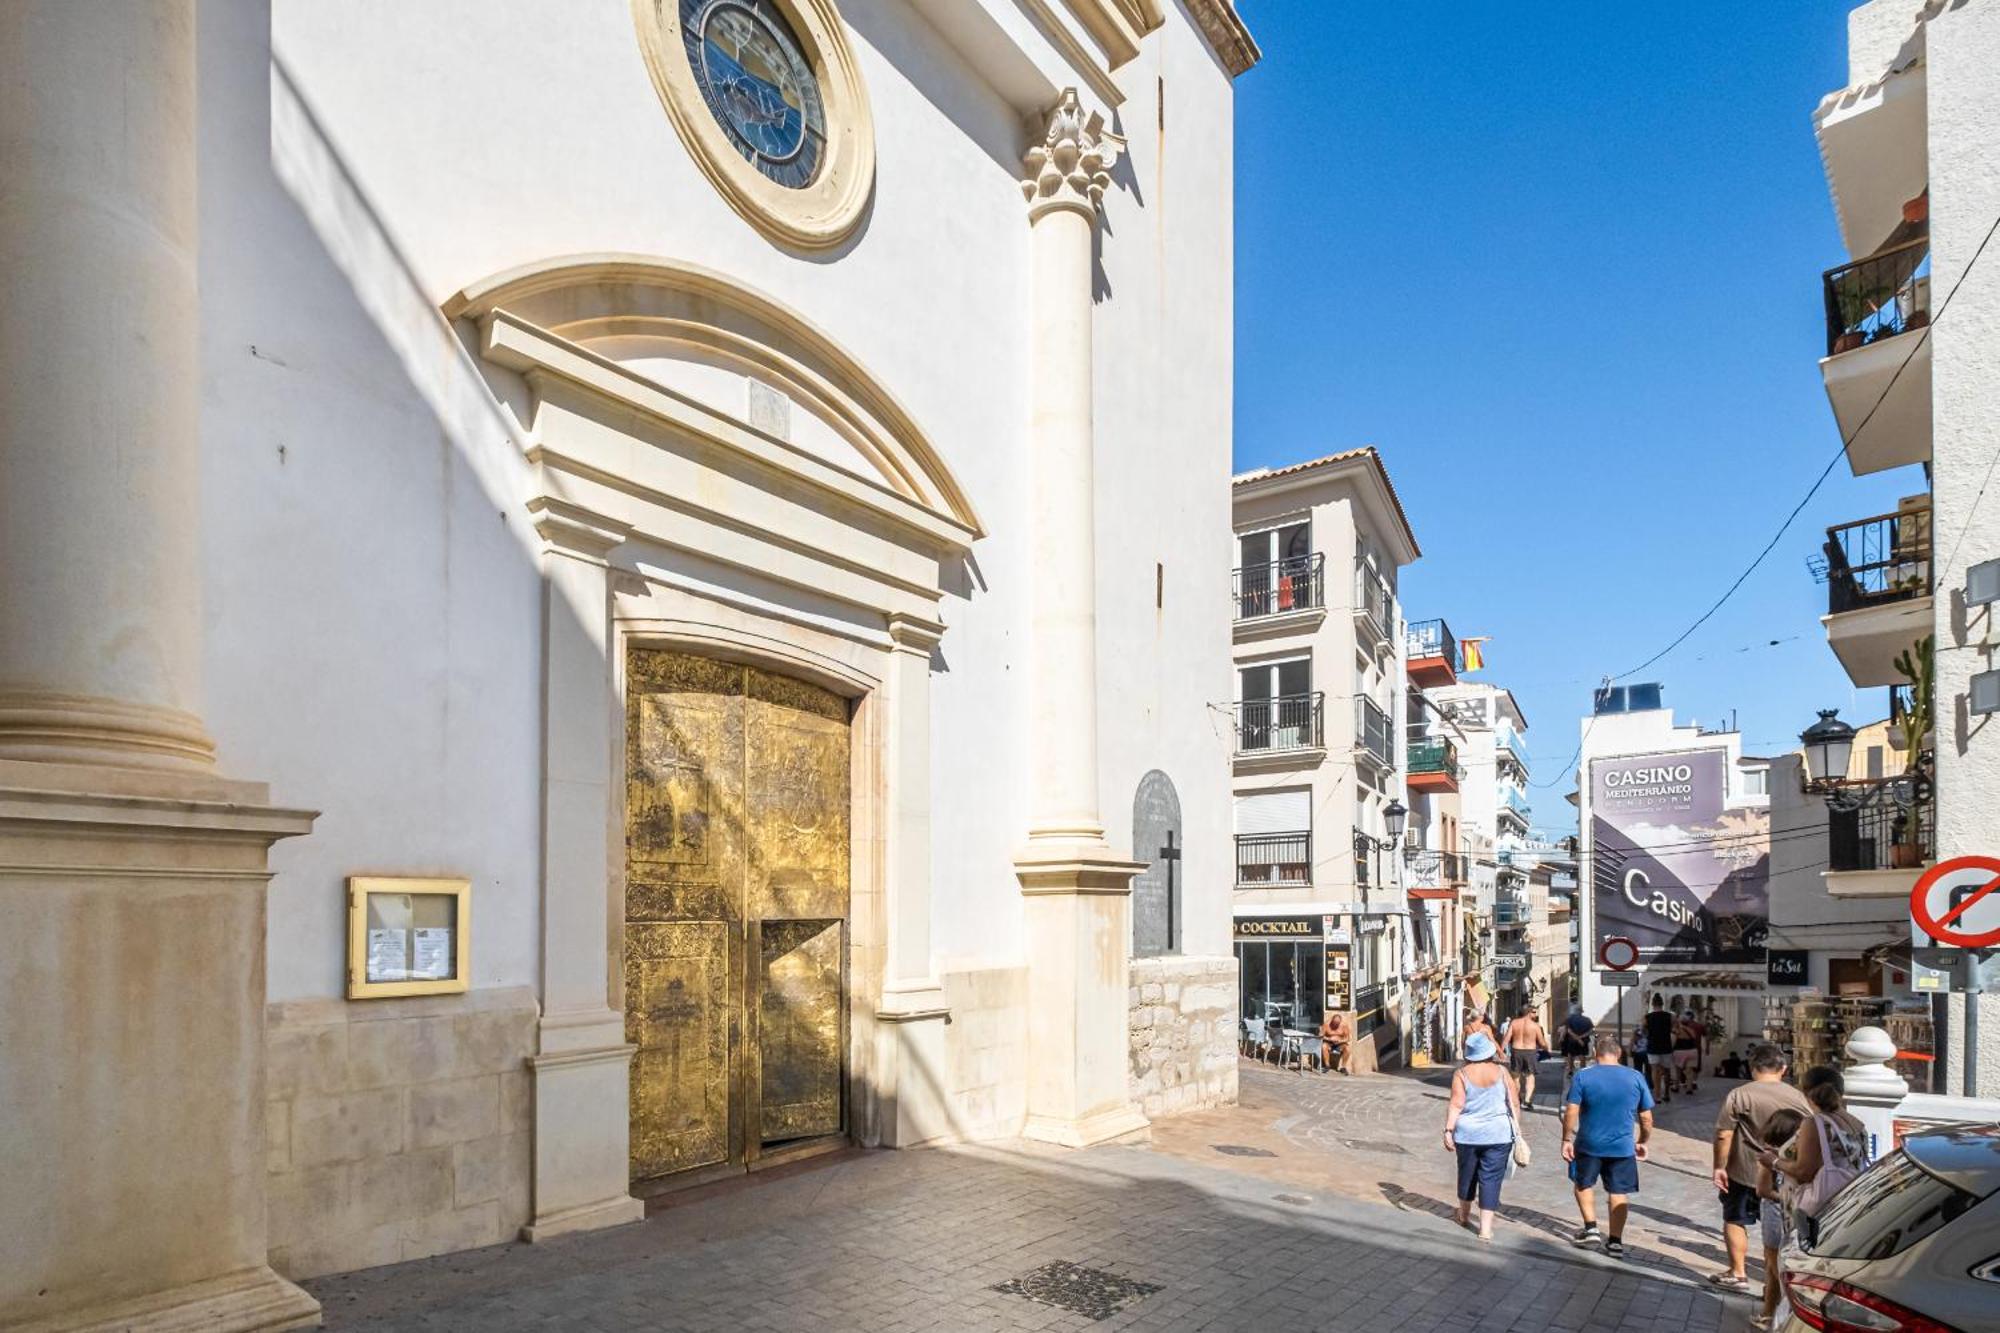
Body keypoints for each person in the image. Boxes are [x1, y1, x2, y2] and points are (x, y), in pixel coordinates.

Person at [1710, 1043, 1811, 1294]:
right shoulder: (1798, 1098)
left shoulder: (1739, 1094)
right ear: (1783, 1068)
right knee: (1781, 1231)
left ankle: (1738, 1271)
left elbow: (1724, 1134)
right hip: (1783, 1173)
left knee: (1735, 1218)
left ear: (1751, 1067)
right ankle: (1774, 1284)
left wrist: (1719, 1167)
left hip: (1743, 1170)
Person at [1563, 1031, 1654, 1258]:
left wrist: (1566, 1138)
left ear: (1595, 1054)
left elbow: (1572, 1110)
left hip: (1588, 1143)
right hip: (1622, 1146)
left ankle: (1591, 1228)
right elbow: (1646, 1118)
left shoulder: (1583, 1077)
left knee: (1583, 1184)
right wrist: (1643, 1140)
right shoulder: (1635, 1077)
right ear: (1619, 1054)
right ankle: (1615, 1241)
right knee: (1618, 1191)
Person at [1771, 1069, 1871, 1247]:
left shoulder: (1815, 1123)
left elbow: (1804, 1171)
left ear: (1805, 1092)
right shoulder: (1857, 1124)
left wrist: (1773, 1161)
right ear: (1841, 1092)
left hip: (1812, 1210)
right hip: (1842, 1204)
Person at [1443, 1031, 1521, 1242]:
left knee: (1467, 1175)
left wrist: (1448, 1130)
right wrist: (1516, 1128)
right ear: (1489, 1052)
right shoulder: (1502, 1072)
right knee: (1491, 1179)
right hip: (1499, 1134)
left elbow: (1457, 1104)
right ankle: (1485, 1229)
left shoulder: (1461, 1073)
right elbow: (1514, 1103)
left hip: (1468, 1134)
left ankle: (1464, 1215)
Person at [1751, 1108, 1807, 1332]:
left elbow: (1762, 1190)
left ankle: (1774, 1314)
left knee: (1774, 1267)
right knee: (1773, 1267)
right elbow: (1763, 1189)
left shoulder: (1786, 1156)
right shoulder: (1774, 1156)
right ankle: (1771, 1314)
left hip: (1778, 1213)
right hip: (1778, 1213)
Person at [1502, 1007, 1548, 1109]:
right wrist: (1546, 1049)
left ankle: (1517, 1098)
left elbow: (1506, 1038)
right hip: (1530, 1052)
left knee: (1516, 1077)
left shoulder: (1514, 1023)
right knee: (1530, 1077)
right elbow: (1541, 1042)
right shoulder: (1535, 1026)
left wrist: (1501, 1051)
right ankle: (1527, 1101)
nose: (1535, 1014)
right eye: (1533, 1012)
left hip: (1516, 1051)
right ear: (1528, 1013)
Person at [1643, 994, 1677, 1104]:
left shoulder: (1647, 1017)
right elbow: (1674, 1028)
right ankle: (1666, 1093)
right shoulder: (1670, 1016)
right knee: (1667, 1070)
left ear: (1652, 1005)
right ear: (1662, 1004)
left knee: (1655, 1071)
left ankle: (1657, 1096)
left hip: (1653, 1046)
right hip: (1666, 1046)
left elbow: (1644, 1031)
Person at [1559, 1003, 1595, 1082]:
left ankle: (1571, 1071)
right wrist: (1581, 1038)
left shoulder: (1570, 1019)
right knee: (1582, 1056)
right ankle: (1582, 1072)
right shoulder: (1587, 1019)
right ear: (1581, 1011)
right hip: (1584, 1041)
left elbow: (1568, 1030)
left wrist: (1563, 1038)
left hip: (1572, 1041)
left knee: (1571, 1055)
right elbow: (1591, 1031)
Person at [1672, 1010, 1704, 1095]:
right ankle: (1689, 1088)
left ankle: (1676, 1086)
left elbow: (1673, 1042)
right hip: (1692, 1051)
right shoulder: (1691, 1030)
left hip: (1679, 1051)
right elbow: (1694, 1038)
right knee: (1690, 1071)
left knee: (1678, 1070)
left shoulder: (1677, 1030)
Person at [1318, 1009, 1351, 1076]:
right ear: (1332, 1021)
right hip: (1329, 1042)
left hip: (1340, 1043)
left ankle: (1343, 1067)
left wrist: (1340, 1041)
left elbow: (1348, 1038)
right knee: (1324, 1046)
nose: (1335, 1025)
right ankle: (1327, 1065)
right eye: (1334, 1023)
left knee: (1347, 1049)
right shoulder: (1327, 1024)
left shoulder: (1344, 1025)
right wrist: (1328, 1039)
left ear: (1340, 1022)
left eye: (1337, 1024)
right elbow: (1320, 1035)